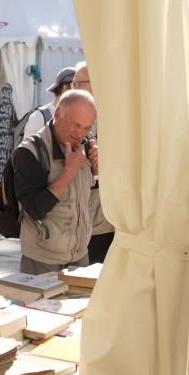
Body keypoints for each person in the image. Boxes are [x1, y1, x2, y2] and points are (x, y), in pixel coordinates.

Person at [13, 90, 98, 274]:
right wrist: (69, 171)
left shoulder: (86, 143)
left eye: (87, 127)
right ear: (58, 114)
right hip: (42, 260)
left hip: (79, 256)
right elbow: (35, 209)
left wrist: (98, 170)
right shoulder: (29, 152)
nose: (80, 134)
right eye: (75, 125)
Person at [72, 61, 115, 263]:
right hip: (76, 216)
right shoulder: (67, 117)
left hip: (105, 217)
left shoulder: (111, 117)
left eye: (80, 83)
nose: (74, 88)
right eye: (73, 83)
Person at [22, 67, 75, 138]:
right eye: (76, 85)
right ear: (65, 87)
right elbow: (26, 148)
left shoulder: (78, 118)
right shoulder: (39, 117)